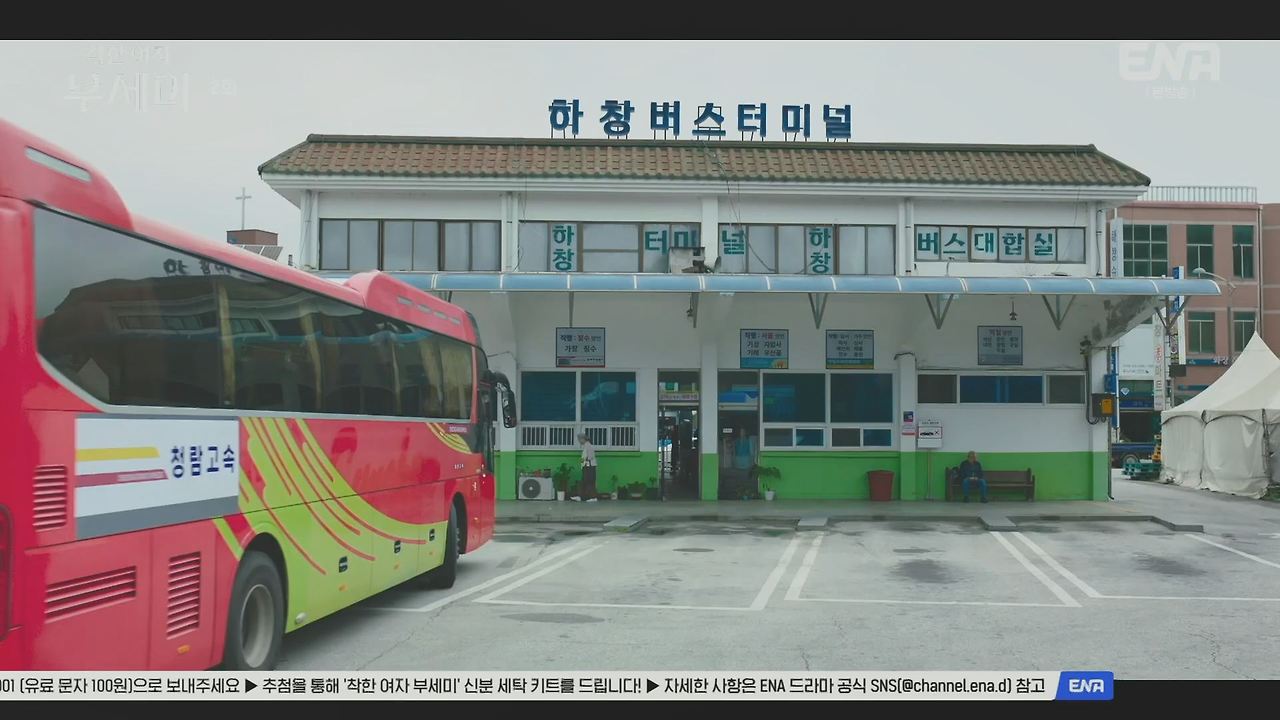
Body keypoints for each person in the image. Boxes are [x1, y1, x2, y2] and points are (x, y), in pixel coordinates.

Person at [576, 433, 598, 502]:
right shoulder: (585, 446)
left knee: (590, 481)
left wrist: (584, 464)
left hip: (589, 466)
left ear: (583, 439)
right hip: (586, 466)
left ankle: (593, 497)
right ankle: (581, 497)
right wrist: (582, 463)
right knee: (584, 481)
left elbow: (590, 457)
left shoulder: (589, 446)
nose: (579, 441)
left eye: (579, 440)